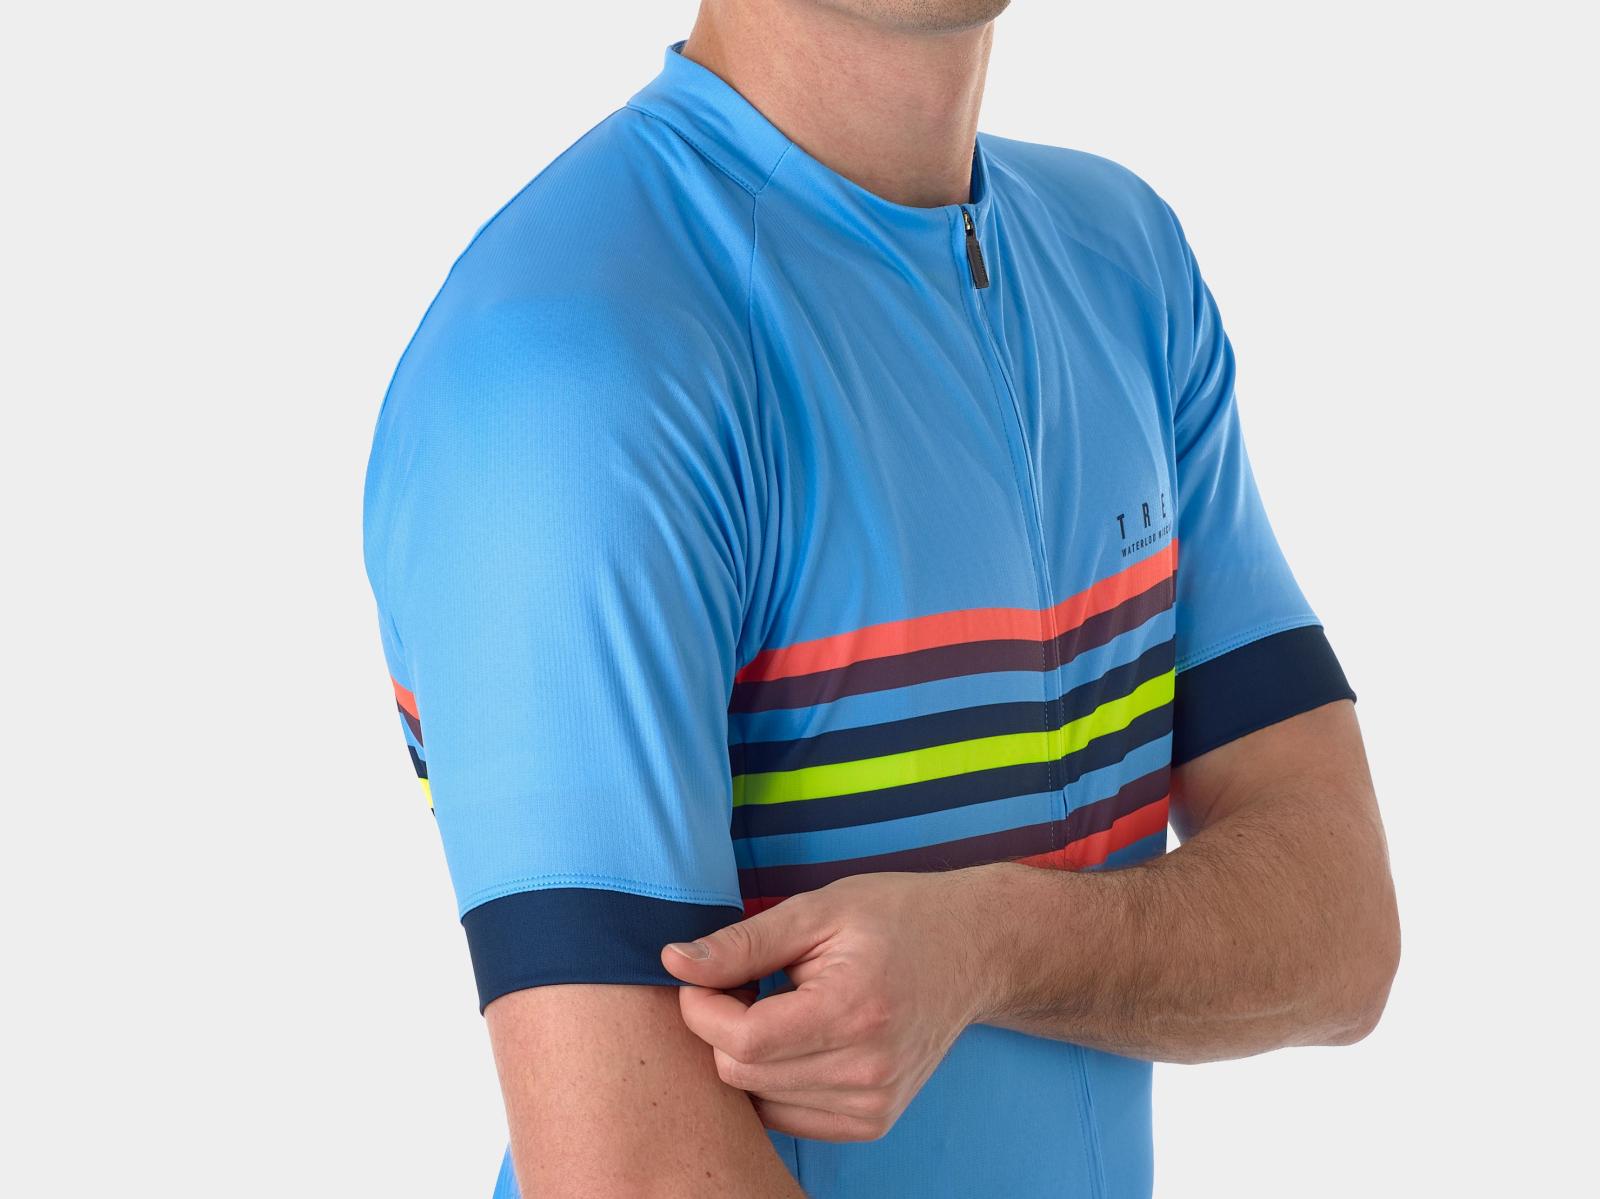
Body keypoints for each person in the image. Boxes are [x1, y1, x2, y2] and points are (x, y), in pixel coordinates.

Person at [361, 2, 1401, 1195]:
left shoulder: (1122, 264)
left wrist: (991, 944)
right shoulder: (563, 365)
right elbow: (632, 1172)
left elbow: (1339, 931)